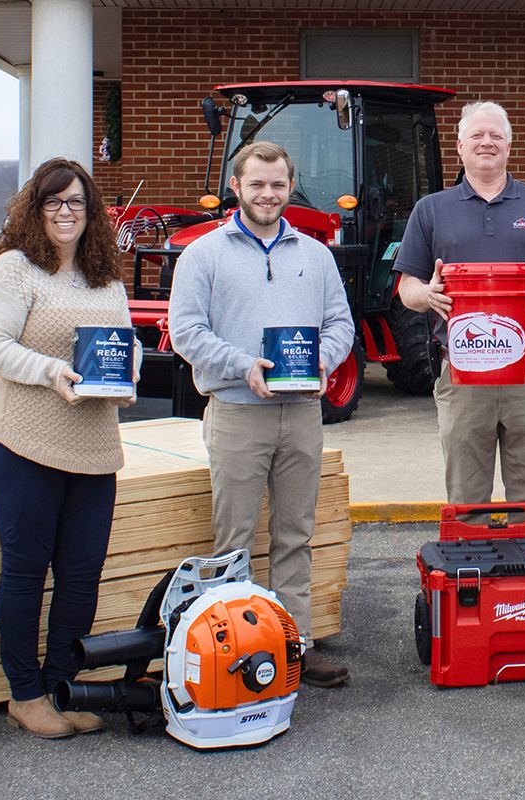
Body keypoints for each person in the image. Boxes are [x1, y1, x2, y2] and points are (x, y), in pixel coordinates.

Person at [169, 141, 355, 687]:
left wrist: (323, 359)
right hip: (236, 411)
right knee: (235, 539)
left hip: (301, 414)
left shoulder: (315, 256)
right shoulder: (204, 254)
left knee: (296, 533)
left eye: (277, 185)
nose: (268, 194)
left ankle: (294, 644)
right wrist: (243, 364)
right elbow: (186, 332)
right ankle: (235, 653)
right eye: (257, 184)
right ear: (237, 187)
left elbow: (340, 324)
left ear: (288, 186)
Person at [0, 157, 139, 738]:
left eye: (77, 203)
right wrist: (50, 371)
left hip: (93, 442)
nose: (66, 213)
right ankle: (26, 694)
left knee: (80, 573)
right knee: (24, 570)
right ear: (35, 209)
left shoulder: (104, 278)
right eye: (54, 202)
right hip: (23, 438)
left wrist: (130, 368)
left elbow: (125, 343)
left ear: (92, 214)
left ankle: (63, 683)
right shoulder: (15, 269)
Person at [394, 101, 525, 506]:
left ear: (509, 146)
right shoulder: (430, 210)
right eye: (477, 136)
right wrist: (427, 295)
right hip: (461, 373)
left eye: (496, 135)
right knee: (466, 494)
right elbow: (407, 287)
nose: (487, 142)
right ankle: (471, 567)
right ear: (460, 145)